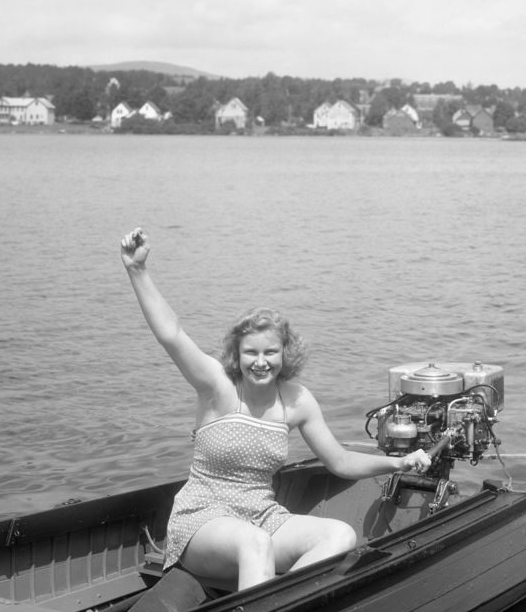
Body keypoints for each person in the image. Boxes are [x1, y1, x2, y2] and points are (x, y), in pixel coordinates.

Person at [121, 227, 431, 591]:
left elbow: (340, 461)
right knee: (255, 543)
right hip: (202, 521)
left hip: (262, 517)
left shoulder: (297, 401)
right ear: (236, 355)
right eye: (250, 353)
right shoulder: (217, 386)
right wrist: (137, 270)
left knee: (340, 536)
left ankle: (281, 605)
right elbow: (171, 335)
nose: (260, 362)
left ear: (285, 353)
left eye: (270, 352)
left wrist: (397, 463)